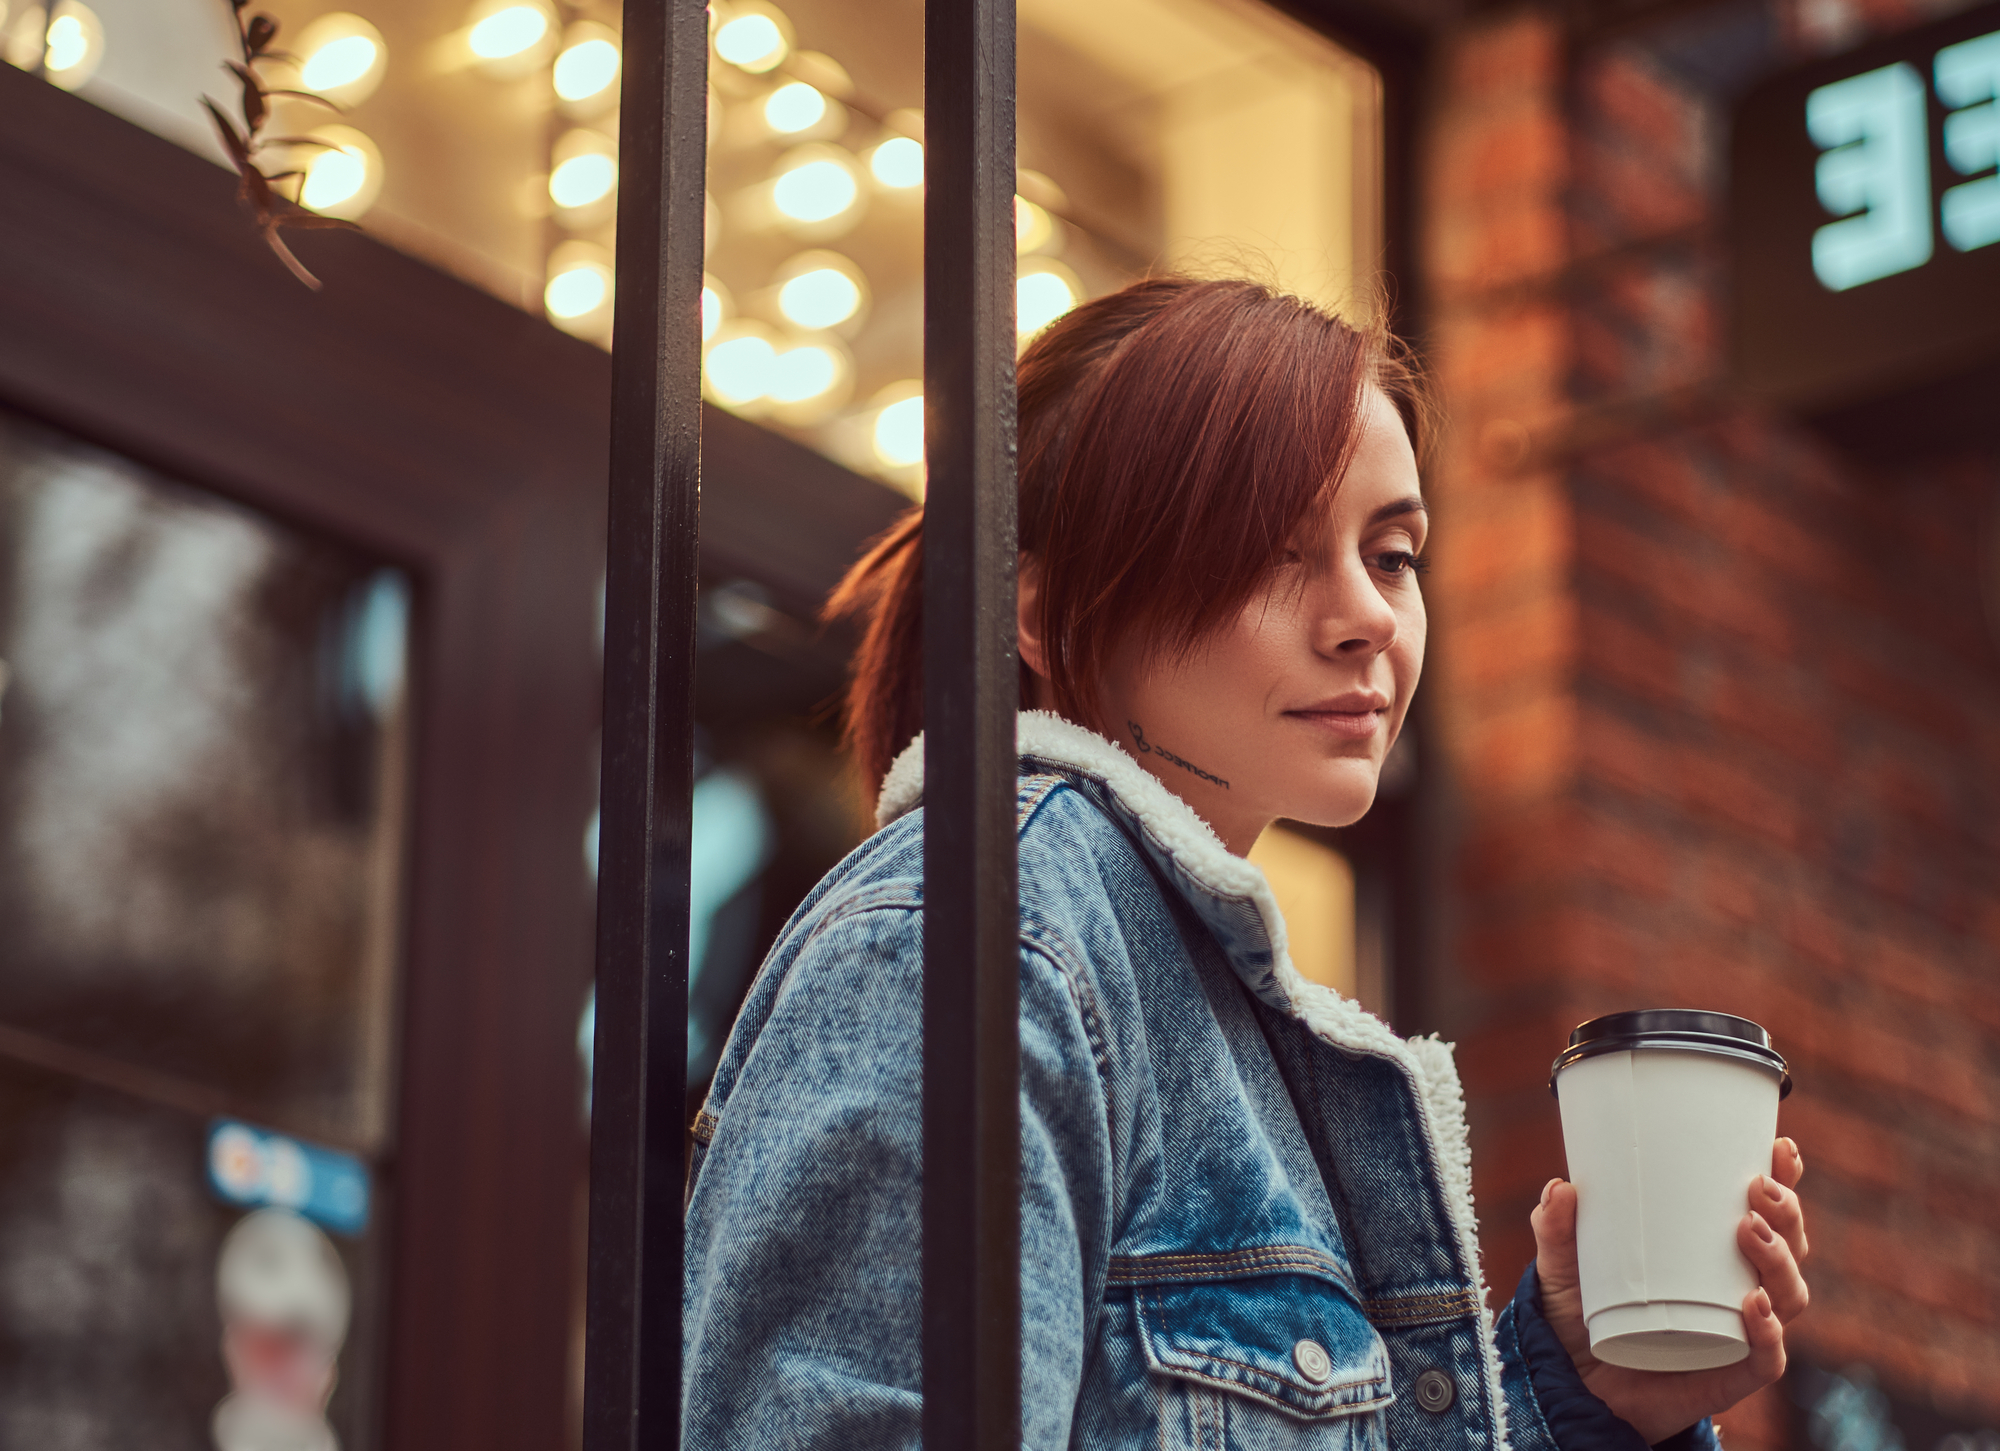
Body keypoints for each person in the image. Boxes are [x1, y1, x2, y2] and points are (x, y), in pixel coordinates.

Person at [681, 277, 1809, 1448]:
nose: (1366, 614)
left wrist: (1572, 1397)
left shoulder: (1214, 1011)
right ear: (1042, 606)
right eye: (1273, 552)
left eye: (1391, 552)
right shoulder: (969, 937)